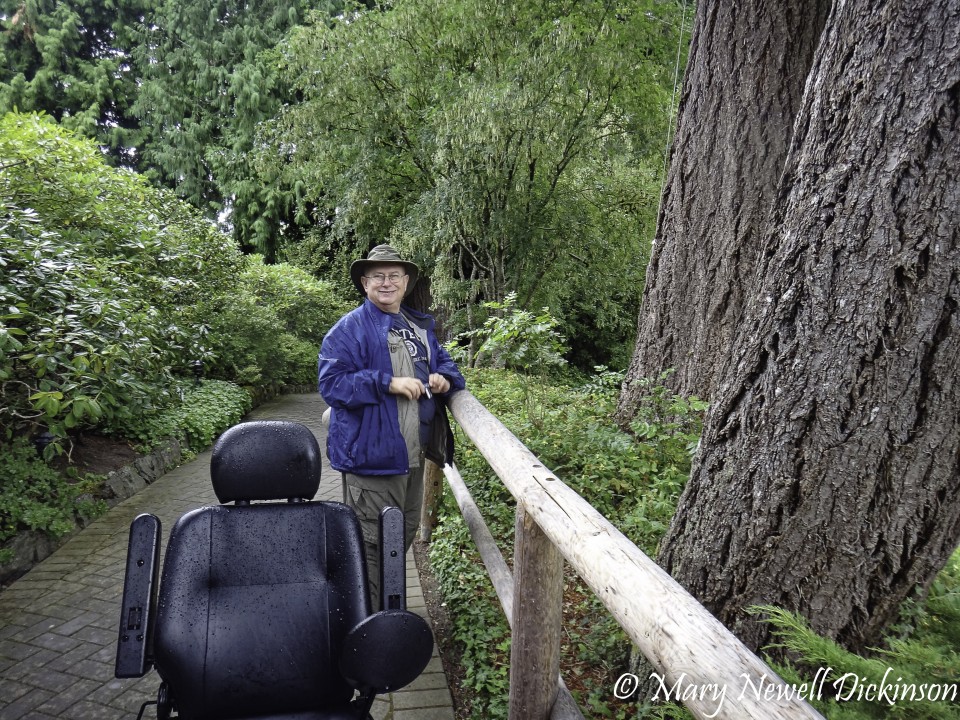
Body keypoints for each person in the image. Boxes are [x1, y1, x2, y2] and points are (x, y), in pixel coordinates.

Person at [318, 244, 465, 608]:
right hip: (372, 460)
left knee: (401, 536)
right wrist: (387, 382)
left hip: (412, 458)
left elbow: (448, 365)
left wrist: (443, 380)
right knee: (372, 544)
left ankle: (390, 614)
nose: (386, 282)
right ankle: (368, 627)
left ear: (406, 281)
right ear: (365, 283)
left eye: (394, 275)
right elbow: (332, 384)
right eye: (378, 276)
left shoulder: (418, 326)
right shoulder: (348, 330)